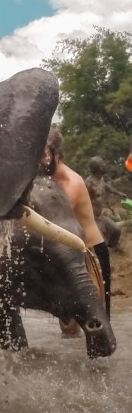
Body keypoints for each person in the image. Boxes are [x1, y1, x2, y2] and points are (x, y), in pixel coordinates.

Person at [40, 129, 112, 318]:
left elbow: (53, 217)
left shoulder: (72, 182)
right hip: (68, 255)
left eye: (45, 155)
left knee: (98, 320)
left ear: (58, 154)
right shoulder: (48, 180)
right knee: (69, 324)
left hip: (91, 253)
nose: (42, 161)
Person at [85, 156, 123, 249]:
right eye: (103, 164)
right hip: (92, 218)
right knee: (102, 239)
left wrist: (118, 193)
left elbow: (106, 186)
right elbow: (82, 197)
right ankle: (102, 257)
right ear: (97, 167)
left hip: (100, 216)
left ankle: (113, 246)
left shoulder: (101, 179)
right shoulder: (89, 183)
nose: (104, 165)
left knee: (116, 230)